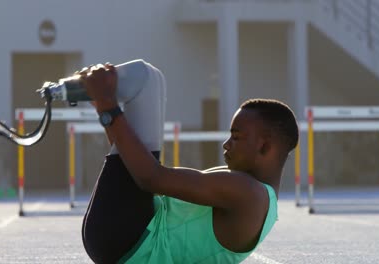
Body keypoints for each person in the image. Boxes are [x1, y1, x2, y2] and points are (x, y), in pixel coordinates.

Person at [80, 61, 299, 264]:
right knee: (152, 78)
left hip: (128, 239)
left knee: (146, 78)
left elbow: (151, 178)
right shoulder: (258, 197)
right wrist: (105, 106)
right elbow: (135, 169)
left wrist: (107, 106)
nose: (226, 144)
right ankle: (87, 87)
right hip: (126, 237)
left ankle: (81, 87)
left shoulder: (248, 192)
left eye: (237, 137)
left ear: (265, 147)